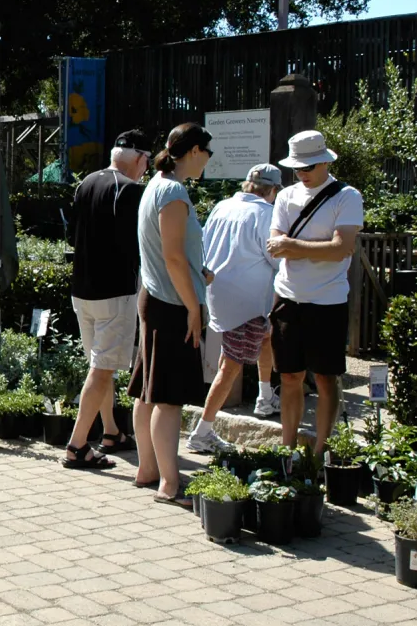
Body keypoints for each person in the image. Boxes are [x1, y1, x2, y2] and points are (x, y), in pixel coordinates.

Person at [129, 123, 215, 506]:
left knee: (148, 392)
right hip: (171, 304)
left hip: (156, 298)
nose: (209, 161)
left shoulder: (155, 185)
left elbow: (175, 256)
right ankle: (169, 483)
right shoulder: (174, 191)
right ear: (195, 150)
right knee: (168, 398)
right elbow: (174, 256)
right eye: (208, 153)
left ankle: (148, 469)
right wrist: (194, 307)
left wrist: (199, 272)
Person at [268, 130, 363, 454]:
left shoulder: (347, 196)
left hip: (328, 300)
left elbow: (341, 249)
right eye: (297, 168)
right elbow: (274, 246)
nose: (301, 174)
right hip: (288, 296)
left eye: (307, 167)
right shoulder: (286, 196)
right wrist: (312, 248)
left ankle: (321, 451)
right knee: (290, 377)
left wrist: (294, 246)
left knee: (325, 378)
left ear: (325, 161)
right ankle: (288, 451)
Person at [62, 129, 150, 470]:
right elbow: (137, 245)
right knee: (102, 370)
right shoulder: (131, 190)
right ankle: (77, 445)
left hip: (81, 290)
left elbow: (72, 233)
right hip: (114, 292)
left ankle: (112, 432)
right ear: (140, 159)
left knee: (99, 368)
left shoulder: (86, 182)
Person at [187, 164, 283, 454]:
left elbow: (203, 245)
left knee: (263, 338)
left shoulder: (222, 205)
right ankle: (202, 431)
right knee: (231, 365)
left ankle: (265, 397)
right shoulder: (267, 214)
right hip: (248, 299)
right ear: (273, 190)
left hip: (218, 292)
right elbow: (277, 258)